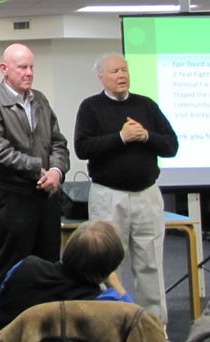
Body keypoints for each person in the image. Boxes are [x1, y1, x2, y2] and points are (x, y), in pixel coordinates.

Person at [74, 52, 178, 327]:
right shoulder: (90, 107)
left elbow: (171, 145)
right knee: (106, 265)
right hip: (108, 197)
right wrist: (121, 138)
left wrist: (146, 136)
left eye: (124, 70)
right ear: (101, 78)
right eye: (114, 71)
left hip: (147, 196)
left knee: (151, 266)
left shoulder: (146, 105)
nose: (121, 75)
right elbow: (83, 147)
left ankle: (155, 328)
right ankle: (107, 327)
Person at [0, 43, 70, 339]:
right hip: (14, 198)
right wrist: (37, 169)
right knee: (9, 268)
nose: (29, 73)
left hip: (46, 197)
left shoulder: (40, 100)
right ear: (4, 69)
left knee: (48, 267)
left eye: (31, 67)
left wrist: (56, 171)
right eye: (22, 67)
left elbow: (58, 143)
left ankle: (44, 330)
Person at [0, 221, 133, 333]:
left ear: (68, 244)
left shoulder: (24, 267)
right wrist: (113, 282)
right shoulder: (102, 303)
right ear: (109, 270)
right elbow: (138, 324)